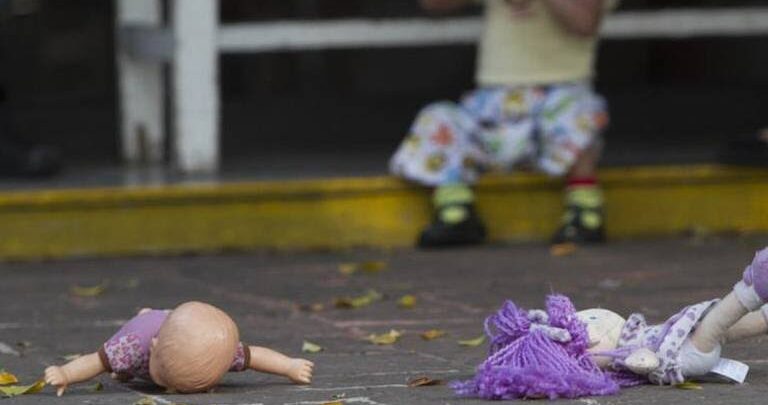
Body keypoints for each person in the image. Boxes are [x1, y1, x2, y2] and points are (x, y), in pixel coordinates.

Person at [390, 0, 617, 247]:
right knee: (438, 117)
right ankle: (456, 209)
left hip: (558, 99)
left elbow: (584, 23)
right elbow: (434, 5)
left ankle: (584, 206)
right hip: (492, 105)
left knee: (581, 112)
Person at [44, 302, 314, 395]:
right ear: (155, 347)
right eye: (161, 376)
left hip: (176, 330)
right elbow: (94, 362)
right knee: (116, 364)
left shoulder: (217, 352)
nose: (165, 387)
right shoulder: (132, 344)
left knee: (127, 366)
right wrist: (66, 374)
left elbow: (256, 356)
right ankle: (145, 314)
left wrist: (288, 366)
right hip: (146, 327)